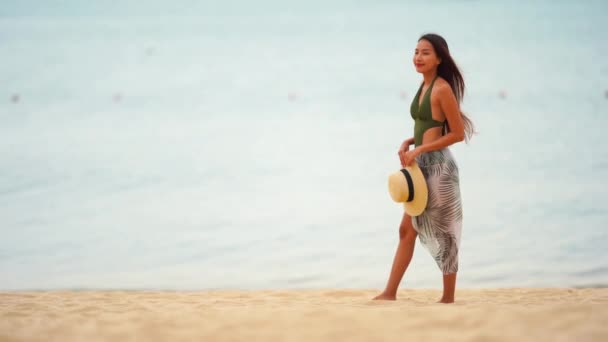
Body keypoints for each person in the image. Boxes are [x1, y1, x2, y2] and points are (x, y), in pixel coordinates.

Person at [374, 33, 475, 304]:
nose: (418, 57)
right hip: (421, 167)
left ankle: (448, 298)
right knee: (406, 230)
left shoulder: (442, 89)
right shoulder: (423, 86)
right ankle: (389, 293)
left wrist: (420, 149)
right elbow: (429, 127)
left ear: (439, 58)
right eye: (416, 51)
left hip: (439, 169)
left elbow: (455, 134)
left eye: (426, 52)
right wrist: (410, 142)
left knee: (446, 233)